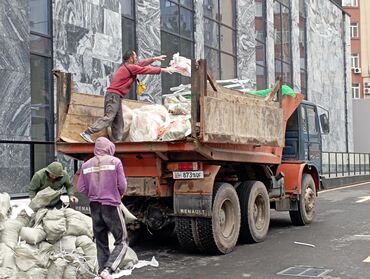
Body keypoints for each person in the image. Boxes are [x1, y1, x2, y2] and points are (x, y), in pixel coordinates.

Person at [80, 50, 174, 143]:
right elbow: (145, 69)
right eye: (135, 57)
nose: (137, 58)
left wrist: (154, 59)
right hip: (113, 95)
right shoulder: (130, 67)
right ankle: (87, 132)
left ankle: (116, 141)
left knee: (118, 121)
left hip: (116, 96)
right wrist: (163, 70)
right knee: (109, 117)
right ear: (130, 58)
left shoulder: (127, 66)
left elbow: (141, 64)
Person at [77, 137, 128, 279]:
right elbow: (122, 185)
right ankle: (109, 269)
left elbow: (80, 187)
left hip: (94, 206)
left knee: (100, 241)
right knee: (122, 241)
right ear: (109, 148)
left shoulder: (86, 165)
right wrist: (120, 193)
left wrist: (93, 194)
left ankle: (102, 271)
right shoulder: (115, 161)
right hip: (110, 204)